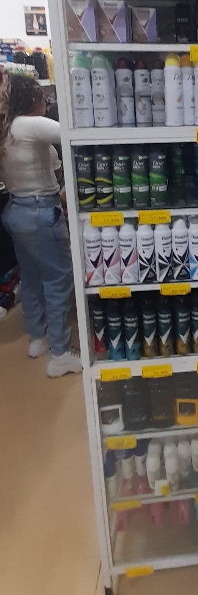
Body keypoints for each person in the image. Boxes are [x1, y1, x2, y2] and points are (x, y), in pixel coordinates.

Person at [0, 74, 81, 377]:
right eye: (43, 97)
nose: (46, 102)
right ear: (32, 98)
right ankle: (60, 355)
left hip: (16, 210)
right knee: (59, 280)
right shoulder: (30, 124)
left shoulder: (8, 127)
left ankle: (39, 339)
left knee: (32, 277)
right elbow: (71, 133)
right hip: (39, 213)